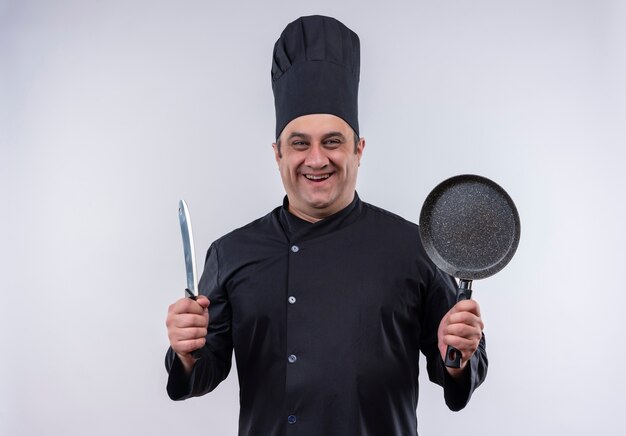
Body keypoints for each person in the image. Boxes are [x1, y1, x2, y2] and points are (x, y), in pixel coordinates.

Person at [165, 15, 487, 436]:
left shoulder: (414, 248)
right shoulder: (232, 253)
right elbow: (202, 373)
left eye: (332, 141)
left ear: (359, 149)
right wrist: (187, 352)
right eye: (300, 143)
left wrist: (459, 356)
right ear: (278, 153)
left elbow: (456, 371)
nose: (317, 159)